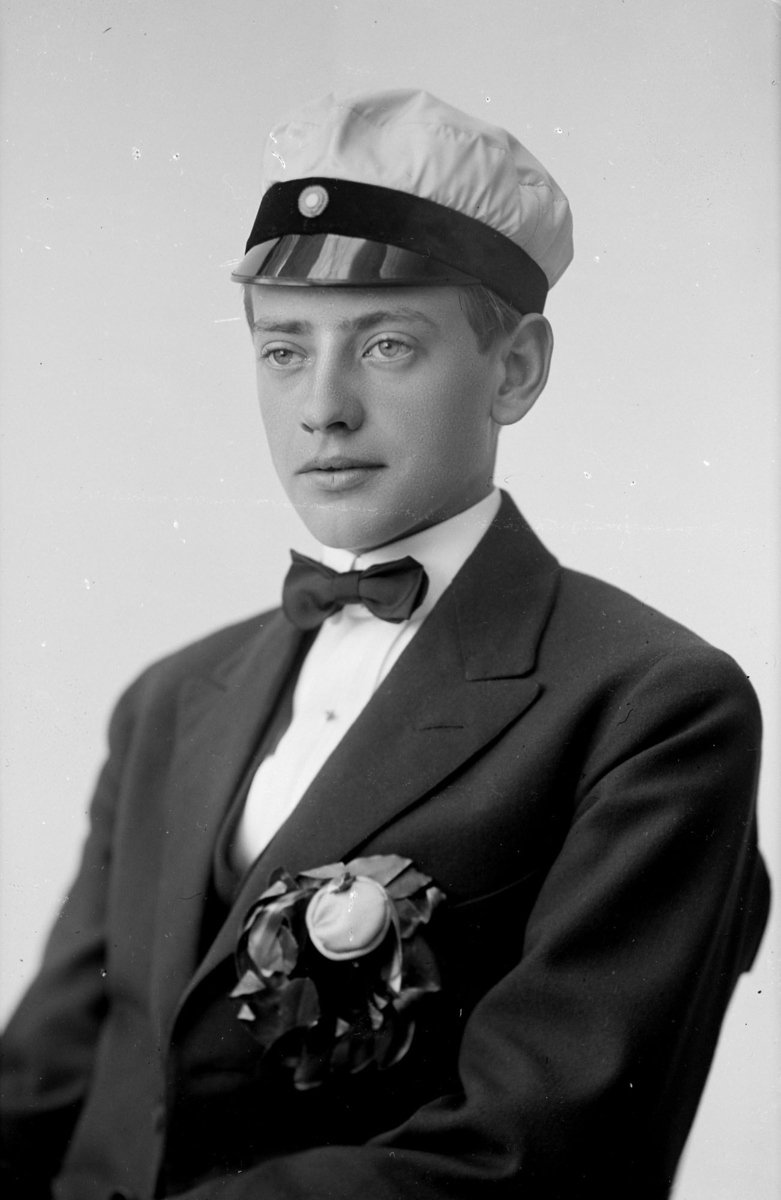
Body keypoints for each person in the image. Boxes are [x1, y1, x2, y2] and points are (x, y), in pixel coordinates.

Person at [0, 89, 770, 1200]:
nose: (322, 407)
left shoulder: (652, 707)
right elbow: (44, 1084)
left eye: (387, 344)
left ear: (515, 369)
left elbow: (534, 1156)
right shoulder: (171, 696)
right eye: (282, 350)